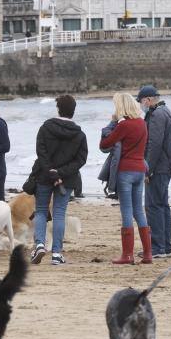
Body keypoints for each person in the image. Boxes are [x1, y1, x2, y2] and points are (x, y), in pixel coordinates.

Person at [27, 95, 88, 266]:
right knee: (59, 213)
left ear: (58, 109)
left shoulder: (46, 128)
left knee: (40, 210)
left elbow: (41, 152)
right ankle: (56, 253)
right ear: (73, 111)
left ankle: (39, 244)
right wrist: (61, 172)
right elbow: (80, 160)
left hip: (44, 176)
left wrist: (51, 171)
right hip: (66, 179)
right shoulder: (79, 134)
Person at [99, 92, 151, 264]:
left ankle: (127, 255)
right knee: (139, 211)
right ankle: (147, 254)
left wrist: (112, 122)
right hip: (139, 169)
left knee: (127, 212)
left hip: (125, 171)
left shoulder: (124, 126)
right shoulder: (142, 124)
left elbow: (104, 144)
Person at [138, 84, 171, 259]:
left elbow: (154, 144)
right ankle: (166, 246)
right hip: (165, 166)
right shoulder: (165, 110)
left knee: (154, 206)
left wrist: (147, 170)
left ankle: (158, 247)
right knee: (162, 205)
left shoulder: (157, 115)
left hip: (159, 168)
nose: (141, 105)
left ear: (148, 99)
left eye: (141, 102)